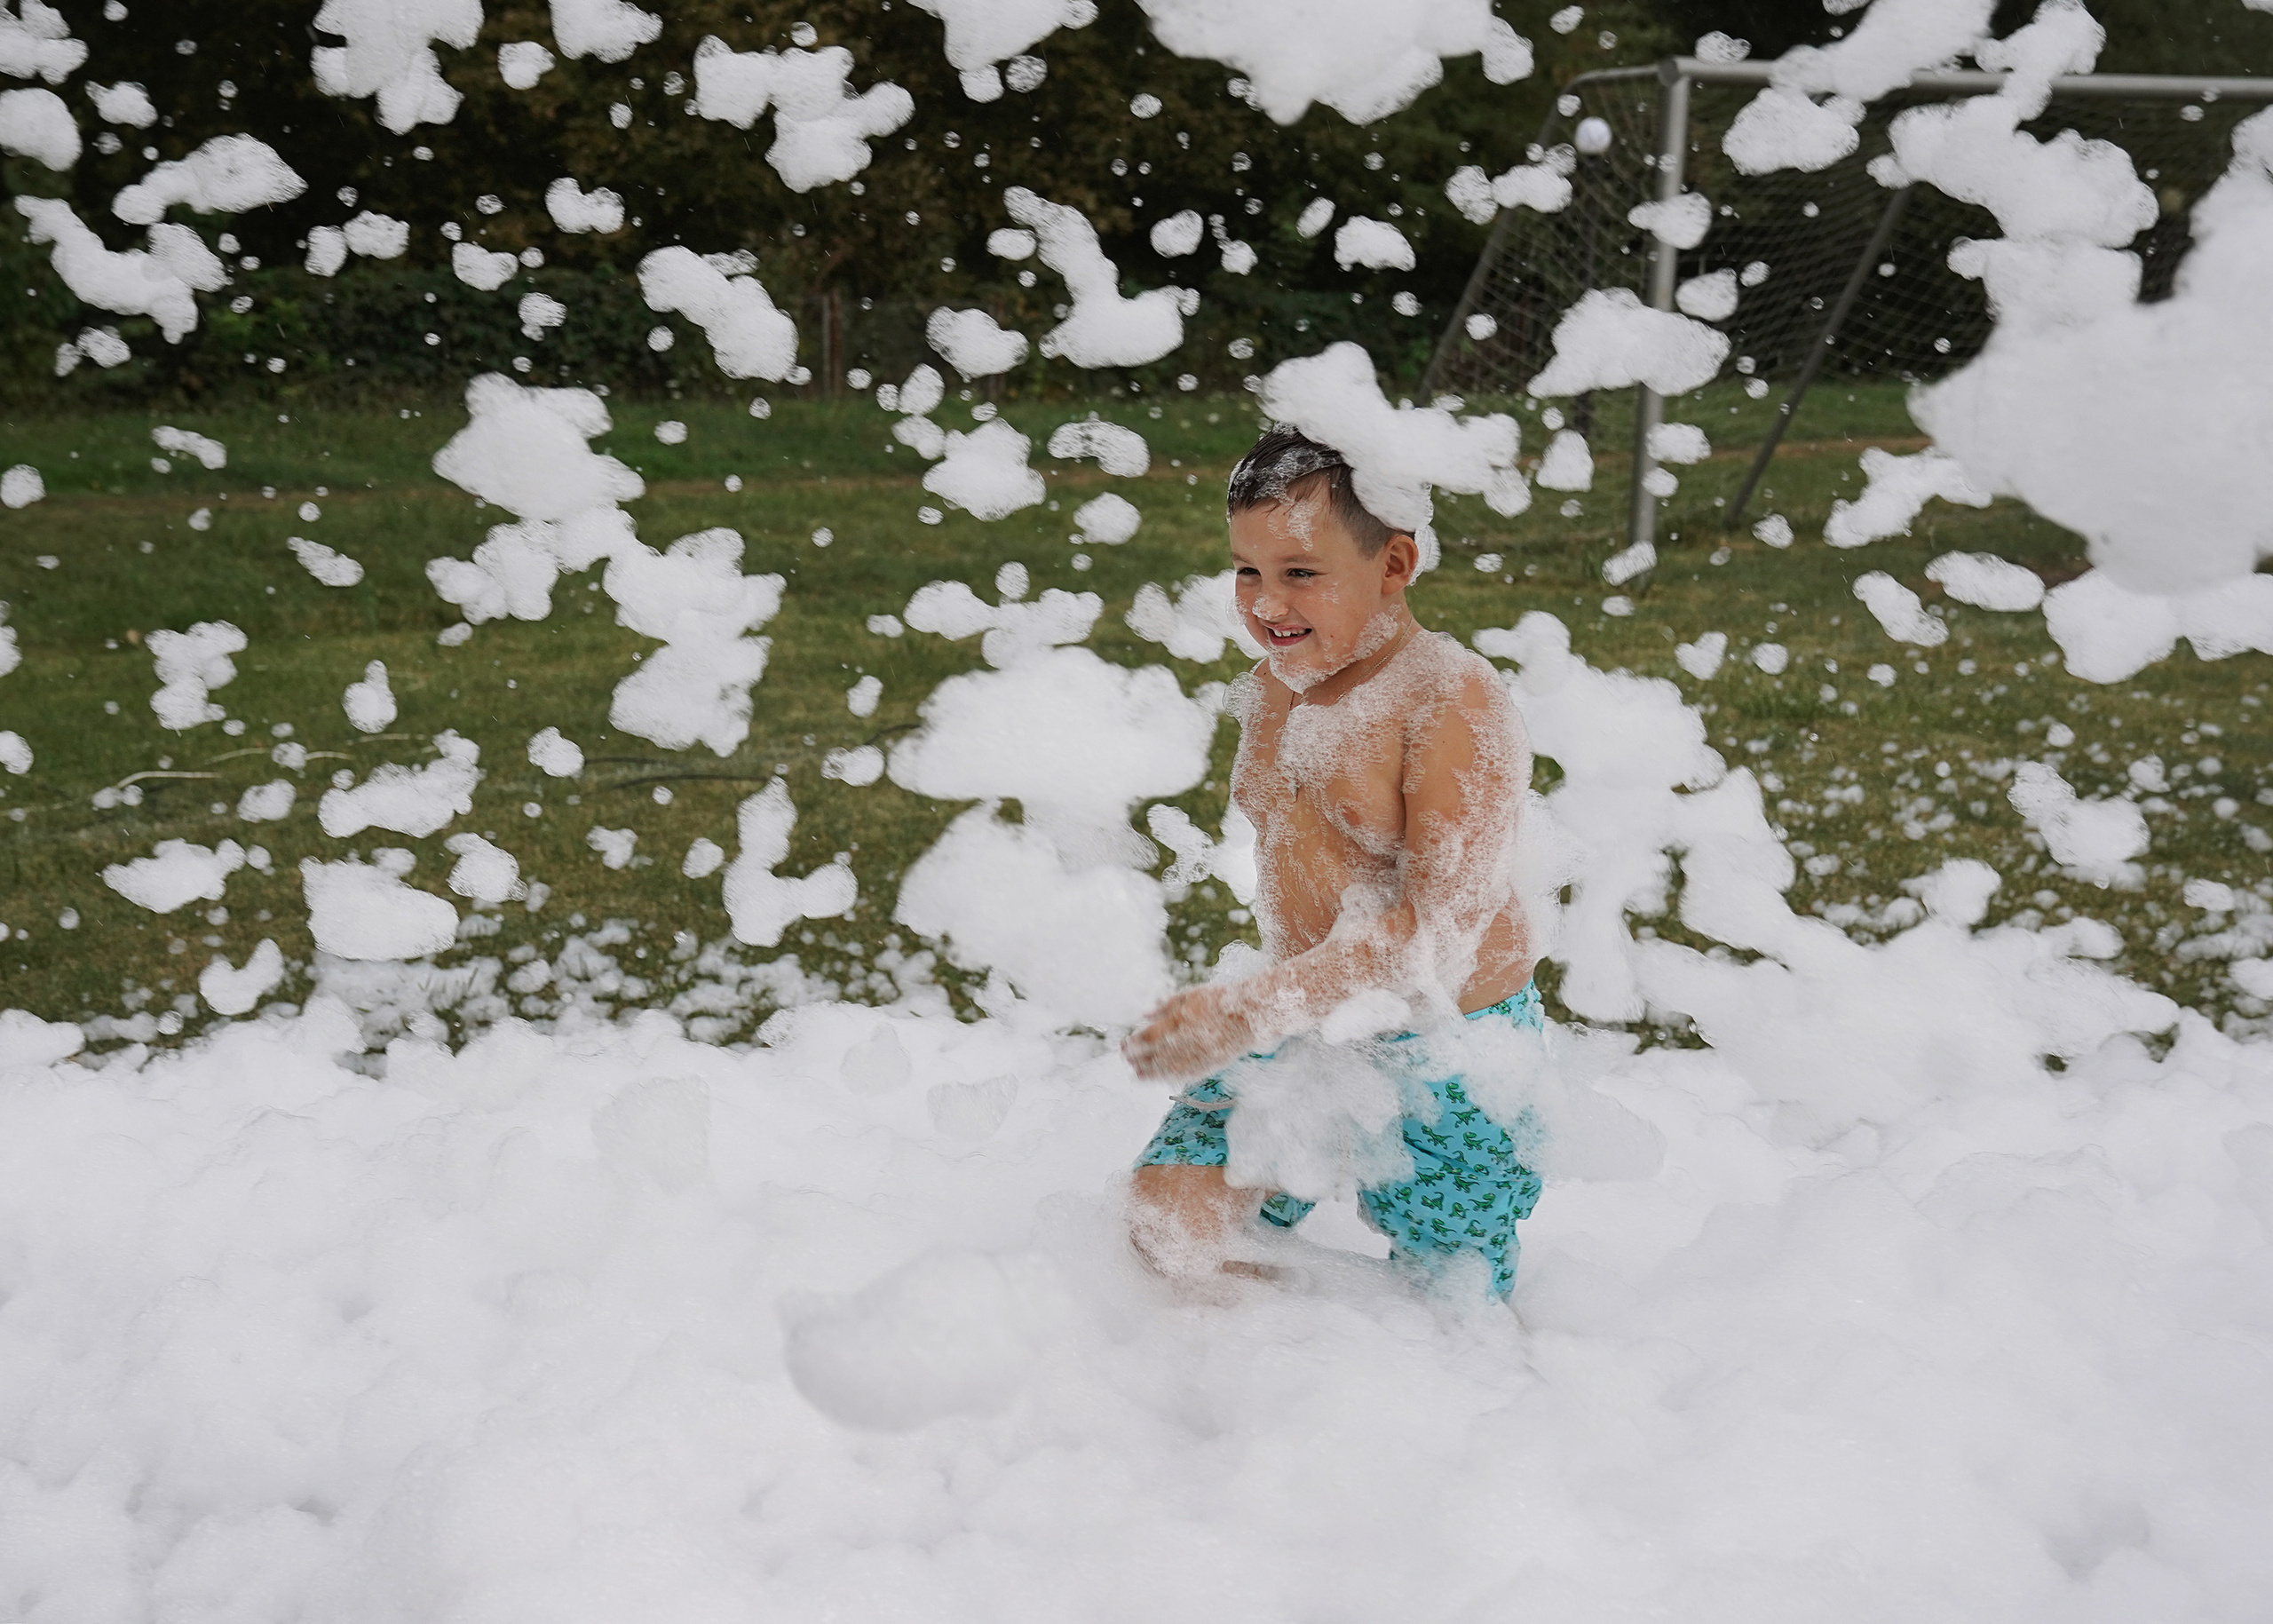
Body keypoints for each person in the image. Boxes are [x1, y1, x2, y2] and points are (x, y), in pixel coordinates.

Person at [1123, 424, 1543, 1302]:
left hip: (1449, 1047)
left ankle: (1428, 1408)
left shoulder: (1451, 699)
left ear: (1393, 564)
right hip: (1307, 1016)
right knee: (1170, 1225)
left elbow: (1439, 934)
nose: (1265, 602)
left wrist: (1243, 1009)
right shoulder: (1279, 677)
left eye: (1299, 571)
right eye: (1248, 569)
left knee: (1452, 1304)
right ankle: (1262, 1394)